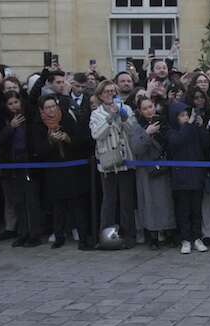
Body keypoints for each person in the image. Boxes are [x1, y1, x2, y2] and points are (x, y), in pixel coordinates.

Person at [32, 94, 92, 250]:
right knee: (58, 206)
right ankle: (59, 236)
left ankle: (83, 238)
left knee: (77, 205)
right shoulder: (38, 125)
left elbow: (81, 140)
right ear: (42, 110)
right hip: (54, 170)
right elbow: (38, 150)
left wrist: (67, 138)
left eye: (53, 106)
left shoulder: (67, 119)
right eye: (48, 108)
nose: (51, 110)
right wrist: (51, 141)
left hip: (73, 168)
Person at [89, 80, 138, 249]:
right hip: (108, 162)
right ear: (100, 95)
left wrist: (123, 117)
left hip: (124, 160)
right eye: (106, 92)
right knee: (108, 201)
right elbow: (97, 134)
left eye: (112, 91)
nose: (110, 94)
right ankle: (105, 237)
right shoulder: (96, 114)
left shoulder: (126, 108)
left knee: (126, 202)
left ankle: (128, 237)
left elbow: (133, 131)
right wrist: (110, 117)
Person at [0, 92, 44, 247]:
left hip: (29, 163)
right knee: (18, 201)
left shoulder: (30, 116)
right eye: (10, 103)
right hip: (12, 164)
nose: (14, 106)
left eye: (16, 102)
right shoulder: (2, 120)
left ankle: (34, 234)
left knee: (31, 200)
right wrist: (10, 127)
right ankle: (22, 233)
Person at [164, 101, 210, 254]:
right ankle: (185, 238)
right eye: (182, 115)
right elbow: (176, 142)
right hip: (180, 176)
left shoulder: (194, 129)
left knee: (196, 209)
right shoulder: (171, 131)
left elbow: (206, 143)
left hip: (196, 174)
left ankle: (196, 237)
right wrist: (189, 126)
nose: (186, 118)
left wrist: (200, 126)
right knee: (183, 209)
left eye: (187, 115)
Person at [129, 96, 176, 250]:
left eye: (150, 107)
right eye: (145, 108)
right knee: (150, 203)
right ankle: (153, 236)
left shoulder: (163, 121)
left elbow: (171, 142)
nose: (149, 110)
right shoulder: (137, 127)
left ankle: (169, 232)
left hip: (164, 167)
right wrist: (147, 134)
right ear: (140, 111)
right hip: (147, 170)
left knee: (166, 202)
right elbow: (136, 149)